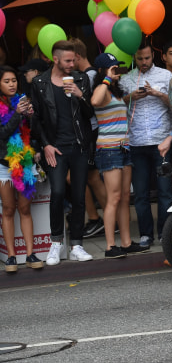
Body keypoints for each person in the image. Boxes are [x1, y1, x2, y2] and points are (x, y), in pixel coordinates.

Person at [30, 40, 94, 265]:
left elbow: (89, 113)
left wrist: (79, 94)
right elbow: (35, 118)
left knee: (78, 196)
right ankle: (55, 242)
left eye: (74, 59)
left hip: (78, 146)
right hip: (55, 149)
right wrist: (45, 144)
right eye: (67, 60)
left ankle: (77, 244)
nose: (72, 63)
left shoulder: (81, 79)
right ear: (55, 59)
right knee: (57, 193)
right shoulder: (39, 83)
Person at [90, 53, 145, 258]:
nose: (116, 72)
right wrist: (106, 79)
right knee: (113, 198)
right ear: (102, 71)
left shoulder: (115, 92)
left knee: (123, 197)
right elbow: (95, 101)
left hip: (124, 148)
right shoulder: (101, 90)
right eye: (112, 69)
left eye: (117, 69)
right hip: (109, 149)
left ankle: (126, 242)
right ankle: (110, 247)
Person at [120, 41, 172, 249]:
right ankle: (145, 235)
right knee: (140, 193)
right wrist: (130, 98)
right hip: (136, 143)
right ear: (134, 58)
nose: (144, 62)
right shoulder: (127, 79)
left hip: (161, 143)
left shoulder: (166, 76)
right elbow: (115, 106)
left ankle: (165, 233)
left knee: (164, 191)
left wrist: (158, 94)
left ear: (154, 56)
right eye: (140, 59)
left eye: (147, 58)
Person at [0, 66, 44, 272]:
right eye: (6, 81)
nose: (11, 84)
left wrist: (32, 115)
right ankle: (11, 257)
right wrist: (18, 115)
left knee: (25, 209)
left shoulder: (22, 100)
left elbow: (32, 131)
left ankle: (30, 253)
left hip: (25, 163)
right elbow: (3, 134)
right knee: (8, 209)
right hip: (4, 165)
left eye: (13, 81)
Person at [70, 37, 108, 239]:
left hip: (93, 130)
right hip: (89, 131)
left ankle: (102, 219)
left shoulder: (91, 75)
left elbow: (92, 105)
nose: (68, 63)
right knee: (85, 177)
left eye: (70, 59)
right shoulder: (86, 74)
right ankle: (101, 218)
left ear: (77, 56)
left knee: (91, 177)